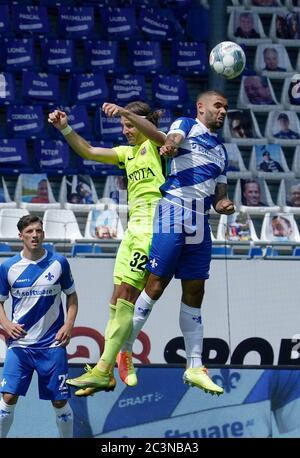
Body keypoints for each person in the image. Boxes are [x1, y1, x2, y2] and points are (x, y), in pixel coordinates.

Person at [67, 90, 235, 397]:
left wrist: (223, 203)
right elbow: (158, 139)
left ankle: (190, 365)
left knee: (189, 290)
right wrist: (70, 127)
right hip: (158, 220)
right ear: (201, 107)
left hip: (190, 220)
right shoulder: (177, 129)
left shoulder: (220, 151)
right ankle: (118, 357)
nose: (224, 111)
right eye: (218, 106)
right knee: (135, 293)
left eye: (226, 107)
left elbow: (218, 190)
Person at [48, 101, 167, 392]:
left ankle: (105, 367)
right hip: (131, 233)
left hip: (152, 231)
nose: (125, 130)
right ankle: (117, 360)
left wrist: (127, 113)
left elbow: (157, 135)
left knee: (127, 296)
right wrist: (64, 128)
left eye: (129, 125)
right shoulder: (127, 155)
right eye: (123, 126)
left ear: (141, 122)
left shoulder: (156, 145)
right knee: (116, 303)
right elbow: (88, 151)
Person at [0, 215, 78, 438]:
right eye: (30, 232)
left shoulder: (59, 262)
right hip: (20, 346)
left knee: (60, 400)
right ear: (21, 236)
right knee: (7, 398)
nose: (35, 235)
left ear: (43, 233)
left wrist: (69, 325)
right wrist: (5, 324)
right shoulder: (8, 267)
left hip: (52, 344)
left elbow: (72, 297)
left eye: (38, 231)